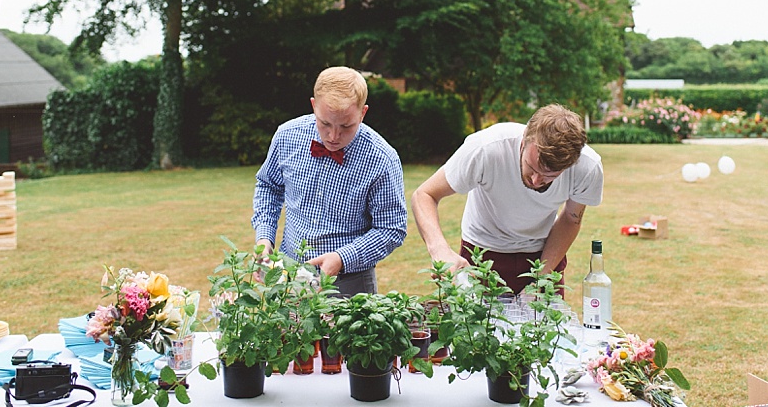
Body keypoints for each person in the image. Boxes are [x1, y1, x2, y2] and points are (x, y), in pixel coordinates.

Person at [411, 104, 603, 296]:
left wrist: (542, 276)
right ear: (523, 142)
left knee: (546, 325)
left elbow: (571, 218)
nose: (536, 181)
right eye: (532, 167)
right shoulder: (486, 148)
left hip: (543, 253)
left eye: (549, 175)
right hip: (481, 253)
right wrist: (440, 251)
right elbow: (424, 195)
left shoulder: (587, 167)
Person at [251, 66, 407, 296]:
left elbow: (391, 229)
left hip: (350, 285)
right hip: (289, 277)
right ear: (314, 105)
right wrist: (264, 237)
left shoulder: (382, 159)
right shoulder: (287, 136)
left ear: (363, 113)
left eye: (346, 126)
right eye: (325, 123)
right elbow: (268, 186)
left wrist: (342, 258)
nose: (333, 137)